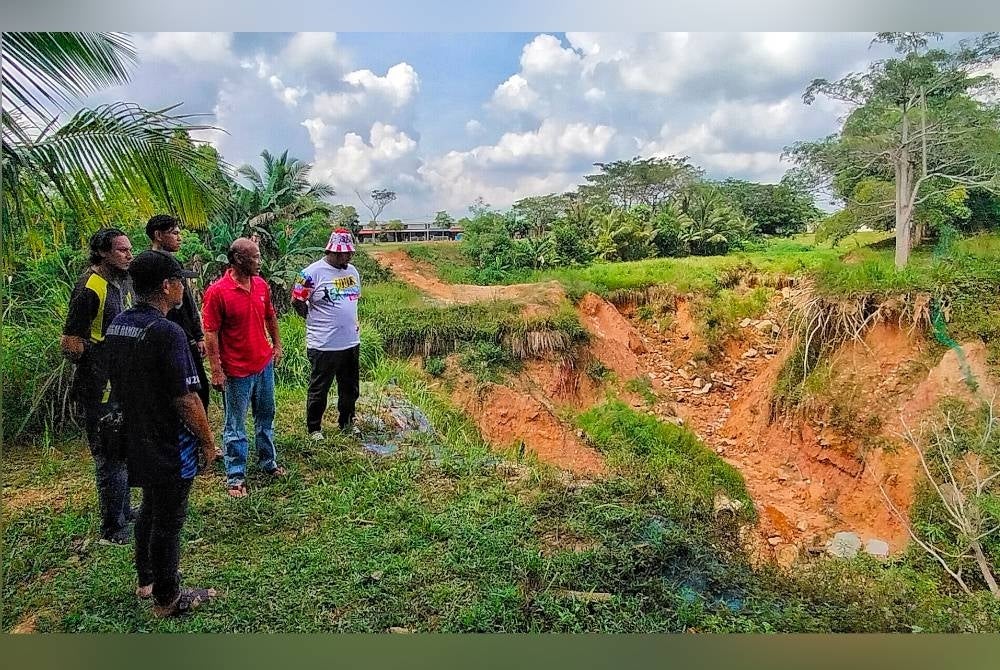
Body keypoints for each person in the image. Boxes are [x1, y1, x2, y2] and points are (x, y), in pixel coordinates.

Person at [105, 250, 218, 617]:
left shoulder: (119, 324)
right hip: (168, 438)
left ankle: (147, 580)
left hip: (135, 434)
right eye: (180, 280)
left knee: (151, 511)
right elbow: (186, 399)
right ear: (167, 286)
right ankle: (168, 599)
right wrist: (207, 441)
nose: (184, 287)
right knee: (168, 520)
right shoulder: (168, 332)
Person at [61, 228, 135, 545]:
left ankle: (125, 511)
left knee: (123, 449)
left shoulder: (119, 283)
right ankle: (113, 528)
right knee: (108, 455)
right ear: (103, 253)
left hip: (121, 383)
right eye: (122, 250)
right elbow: (70, 343)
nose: (128, 255)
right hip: (99, 387)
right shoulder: (90, 288)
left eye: (130, 249)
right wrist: (96, 360)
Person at [202, 238, 285, 498]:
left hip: (263, 365)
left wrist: (277, 346)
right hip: (237, 371)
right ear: (239, 259)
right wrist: (216, 369)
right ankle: (235, 476)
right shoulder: (218, 292)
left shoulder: (261, 285)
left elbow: (270, 316)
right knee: (235, 425)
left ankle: (268, 462)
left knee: (266, 416)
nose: (260, 262)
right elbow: (211, 332)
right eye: (256, 257)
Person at [291, 228, 361, 440]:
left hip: (350, 342)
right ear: (334, 252)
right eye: (345, 253)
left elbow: (353, 301)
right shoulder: (310, 274)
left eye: (350, 253)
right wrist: (316, 322)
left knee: (350, 388)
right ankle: (314, 428)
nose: (349, 257)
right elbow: (296, 302)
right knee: (319, 388)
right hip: (323, 344)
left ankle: (347, 422)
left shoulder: (352, 272)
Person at [146, 214, 210, 412]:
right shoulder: (149, 265)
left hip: (187, 337)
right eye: (174, 233)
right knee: (183, 392)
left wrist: (198, 335)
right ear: (158, 235)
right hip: (168, 336)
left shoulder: (174, 262)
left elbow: (188, 302)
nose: (179, 238)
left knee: (200, 389)